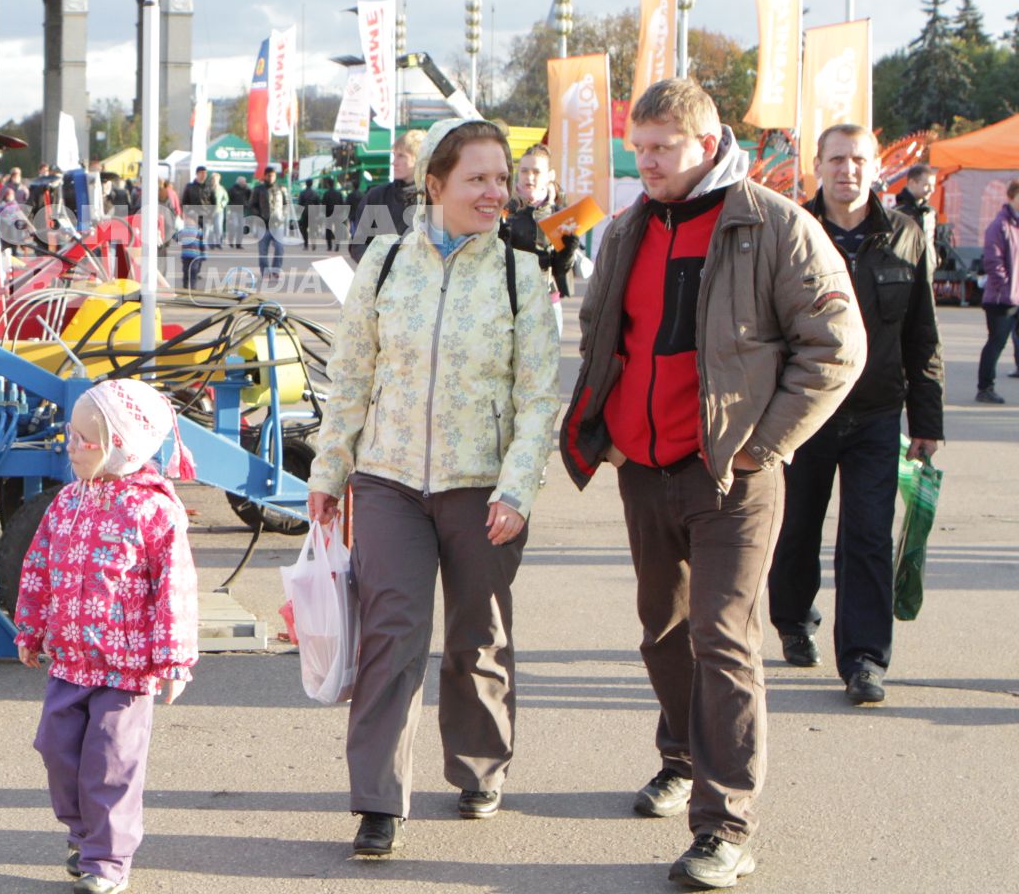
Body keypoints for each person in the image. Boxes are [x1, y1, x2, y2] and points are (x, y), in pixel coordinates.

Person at [560, 78, 863, 890]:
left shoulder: (771, 223)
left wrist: (768, 443)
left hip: (734, 473)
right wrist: (605, 431)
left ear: (707, 142)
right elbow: (601, 334)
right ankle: (683, 758)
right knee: (661, 630)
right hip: (643, 470)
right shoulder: (627, 227)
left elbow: (836, 346)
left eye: (661, 148)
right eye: (638, 147)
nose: (646, 162)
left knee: (723, 638)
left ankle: (725, 826)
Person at [308, 119, 560, 858]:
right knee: (392, 635)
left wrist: (516, 490)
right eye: (477, 178)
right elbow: (350, 378)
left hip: (483, 489)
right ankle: (379, 800)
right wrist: (330, 471)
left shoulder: (521, 274)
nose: (494, 192)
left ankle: (479, 767)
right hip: (388, 481)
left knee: (478, 636)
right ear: (437, 185)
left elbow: (538, 398)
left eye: (501, 179)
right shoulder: (385, 264)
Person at [769, 125, 944, 707]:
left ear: (876, 170)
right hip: (804, 409)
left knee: (867, 536)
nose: (848, 170)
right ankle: (793, 619)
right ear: (818, 165)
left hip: (875, 414)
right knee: (796, 530)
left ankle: (865, 659)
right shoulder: (791, 230)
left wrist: (927, 421)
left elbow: (923, 334)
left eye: (859, 160)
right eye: (837, 159)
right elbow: (765, 330)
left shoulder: (907, 236)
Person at [15, 379, 199, 894]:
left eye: (82, 439)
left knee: (111, 764)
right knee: (56, 748)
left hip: (126, 669)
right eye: (69, 436)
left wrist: (174, 660)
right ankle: (84, 835)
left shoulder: (154, 511)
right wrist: (29, 628)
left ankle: (107, 860)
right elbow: (38, 569)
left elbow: (175, 589)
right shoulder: (66, 503)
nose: (69, 447)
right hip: (70, 663)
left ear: (121, 444)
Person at [501, 145, 582, 332]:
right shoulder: (504, 208)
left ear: (549, 175)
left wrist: (569, 248)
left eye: (536, 172)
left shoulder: (558, 213)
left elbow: (561, 269)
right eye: (524, 171)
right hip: (508, 302)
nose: (529, 177)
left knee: (546, 359)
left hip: (547, 300)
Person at [350, 128, 426, 264]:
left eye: (401, 156)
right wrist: (376, 265)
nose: (393, 162)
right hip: (381, 280)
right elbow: (358, 244)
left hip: (421, 281)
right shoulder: (377, 196)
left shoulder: (434, 199)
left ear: (419, 159)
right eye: (394, 155)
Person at [977, 180, 1019, 402]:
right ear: (1011, 198)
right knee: (996, 342)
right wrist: (1005, 288)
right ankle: (985, 387)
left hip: (1016, 296)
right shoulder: (1000, 225)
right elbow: (993, 262)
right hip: (1001, 299)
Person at [248, 165, 291, 286]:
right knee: (263, 252)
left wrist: (283, 216)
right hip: (263, 225)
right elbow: (251, 205)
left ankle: (276, 270)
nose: (271, 177)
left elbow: (287, 204)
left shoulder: (281, 188)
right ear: (265, 176)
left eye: (273, 175)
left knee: (279, 248)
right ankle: (265, 273)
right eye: (269, 175)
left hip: (277, 224)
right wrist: (259, 215)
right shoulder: (258, 189)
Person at [893, 163, 937, 253]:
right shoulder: (898, 213)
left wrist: (935, 259)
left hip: (926, 266)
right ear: (912, 183)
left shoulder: (929, 213)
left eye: (933, 186)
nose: (931, 190)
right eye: (926, 185)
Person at [321, 174, 347, 253]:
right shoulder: (338, 193)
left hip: (328, 214)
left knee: (328, 229)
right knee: (338, 229)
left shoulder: (326, 193)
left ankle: (329, 246)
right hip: (337, 213)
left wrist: (323, 213)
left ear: (328, 184)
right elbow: (342, 204)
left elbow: (323, 204)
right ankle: (337, 246)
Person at [297, 176, 323, 251]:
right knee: (312, 229)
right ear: (312, 184)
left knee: (303, 228)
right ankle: (313, 242)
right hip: (313, 212)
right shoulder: (315, 193)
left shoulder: (302, 193)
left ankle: (306, 244)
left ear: (306, 184)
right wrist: (318, 213)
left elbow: (299, 204)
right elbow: (318, 204)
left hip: (304, 212)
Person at [226, 174, 251, 248]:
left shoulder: (246, 189)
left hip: (242, 210)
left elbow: (251, 195)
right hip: (234, 210)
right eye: (243, 182)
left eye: (245, 182)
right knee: (234, 225)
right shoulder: (232, 189)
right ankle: (230, 240)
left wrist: (247, 188)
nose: (244, 183)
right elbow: (228, 199)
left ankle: (238, 244)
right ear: (239, 182)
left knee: (241, 227)